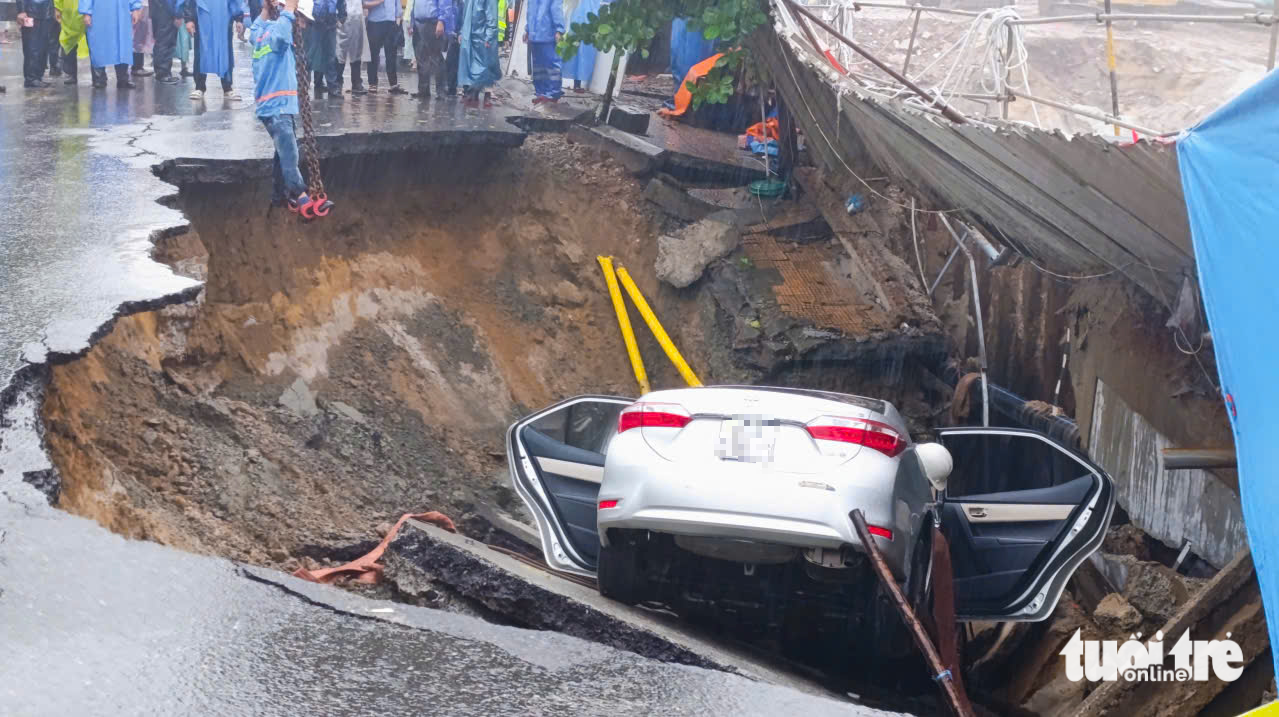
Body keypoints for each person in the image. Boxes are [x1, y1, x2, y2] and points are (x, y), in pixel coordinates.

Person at [250, 0, 333, 213]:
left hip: (274, 107)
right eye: (302, 20)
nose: (303, 26)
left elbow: (255, 27)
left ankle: (280, 195)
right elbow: (280, 35)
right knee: (289, 153)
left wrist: (266, 9)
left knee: (282, 151)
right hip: (277, 107)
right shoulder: (279, 34)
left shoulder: (261, 33)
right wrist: (289, 8)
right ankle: (300, 193)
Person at [185, 0, 245, 101]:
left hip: (223, 19)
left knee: (225, 52)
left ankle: (227, 87)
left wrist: (239, 18)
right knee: (201, 51)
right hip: (202, 18)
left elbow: (234, 1)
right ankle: (199, 87)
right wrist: (189, 19)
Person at [78, 0, 142, 88]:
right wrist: (86, 12)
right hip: (99, 10)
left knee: (122, 43)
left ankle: (123, 78)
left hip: (121, 10)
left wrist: (135, 7)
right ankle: (99, 78)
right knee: (98, 43)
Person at [456, 0, 496, 107]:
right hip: (468, 35)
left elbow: (491, 17)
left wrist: (489, 36)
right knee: (468, 65)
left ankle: (476, 95)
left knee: (480, 66)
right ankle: (469, 94)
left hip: (481, 36)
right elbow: (465, 16)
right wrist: (461, 32)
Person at [522, 0, 562, 104]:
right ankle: (541, 93)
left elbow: (557, 10)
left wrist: (559, 29)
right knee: (538, 66)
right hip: (535, 35)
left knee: (551, 64)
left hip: (548, 33)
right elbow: (530, 12)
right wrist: (527, 30)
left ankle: (553, 93)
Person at [405, 0, 446, 99]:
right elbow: (414, 4)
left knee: (436, 58)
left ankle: (441, 92)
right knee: (421, 58)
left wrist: (441, 21)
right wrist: (411, 22)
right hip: (418, 23)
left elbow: (444, 4)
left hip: (433, 23)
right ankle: (423, 91)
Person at [303, 0, 343, 97]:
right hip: (313, 22)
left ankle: (332, 87)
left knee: (330, 57)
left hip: (331, 23)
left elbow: (341, 2)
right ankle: (303, 86)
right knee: (309, 56)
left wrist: (342, 17)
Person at [363, 0, 404, 94]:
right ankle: (372, 83)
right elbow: (365, 4)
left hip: (391, 22)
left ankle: (393, 84)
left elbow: (397, 4)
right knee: (373, 54)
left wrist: (397, 22)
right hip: (375, 22)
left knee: (391, 54)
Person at [560, 0, 601, 94]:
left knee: (584, 54)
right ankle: (559, 81)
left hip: (591, 20)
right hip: (578, 18)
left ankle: (578, 84)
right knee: (573, 52)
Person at [17, 0, 55, 87]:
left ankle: (38, 76)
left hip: (46, 12)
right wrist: (22, 10)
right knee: (31, 46)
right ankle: (31, 78)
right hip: (30, 12)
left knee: (43, 46)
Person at [334, 0, 366, 94]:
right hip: (342, 16)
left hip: (357, 17)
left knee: (356, 51)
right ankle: (337, 83)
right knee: (340, 50)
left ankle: (356, 83)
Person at [54, 0, 88, 84]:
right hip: (68, 13)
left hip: (87, 12)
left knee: (94, 45)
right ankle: (71, 74)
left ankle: (99, 77)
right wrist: (57, 8)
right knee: (68, 41)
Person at [149, 0, 178, 82]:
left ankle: (164, 72)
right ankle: (162, 73)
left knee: (164, 41)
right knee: (164, 42)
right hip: (164, 8)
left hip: (159, 7)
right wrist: (176, 12)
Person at [131, 0, 153, 75]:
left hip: (144, 5)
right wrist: (137, 8)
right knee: (138, 37)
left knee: (142, 38)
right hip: (140, 6)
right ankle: (136, 67)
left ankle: (138, 66)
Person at [175, 9, 191, 74]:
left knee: (183, 41)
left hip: (181, 15)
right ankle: (184, 67)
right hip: (181, 14)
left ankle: (184, 67)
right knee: (183, 41)